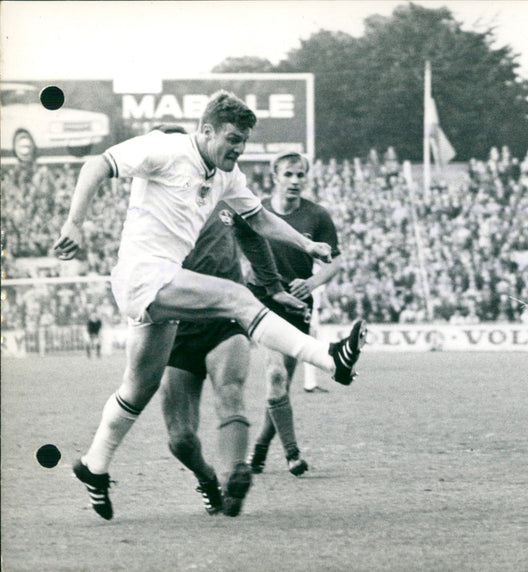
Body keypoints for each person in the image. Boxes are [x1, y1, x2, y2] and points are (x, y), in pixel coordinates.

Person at [53, 91, 368, 521]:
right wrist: (75, 220)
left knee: (138, 388)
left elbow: (258, 219)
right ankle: (330, 359)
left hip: (164, 288)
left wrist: (306, 243)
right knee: (236, 296)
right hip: (143, 274)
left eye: (244, 142)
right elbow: (97, 165)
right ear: (206, 130)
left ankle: (94, 466)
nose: (239, 149)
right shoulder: (166, 148)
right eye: (233, 139)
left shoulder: (225, 175)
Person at [153, 124, 307, 518]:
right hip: (176, 326)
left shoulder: (221, 192)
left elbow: (255, 236)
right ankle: (207, 476)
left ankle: (235, 472)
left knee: (231, 392)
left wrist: (272, 289)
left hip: (224, 317)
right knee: (181, 438)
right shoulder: (148, 205)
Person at [246, 151, 345, 477]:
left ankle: (260, 448)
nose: (295, 180)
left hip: (297, 305)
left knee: (281, 386)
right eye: (289, 174)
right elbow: (235, 246)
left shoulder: (317, 216)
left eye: (301, 174)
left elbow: (336, 260)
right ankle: (293, 455)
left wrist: (313, 281)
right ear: (275, 175)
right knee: (275, 376)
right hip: (262, 301)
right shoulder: (256, 210)